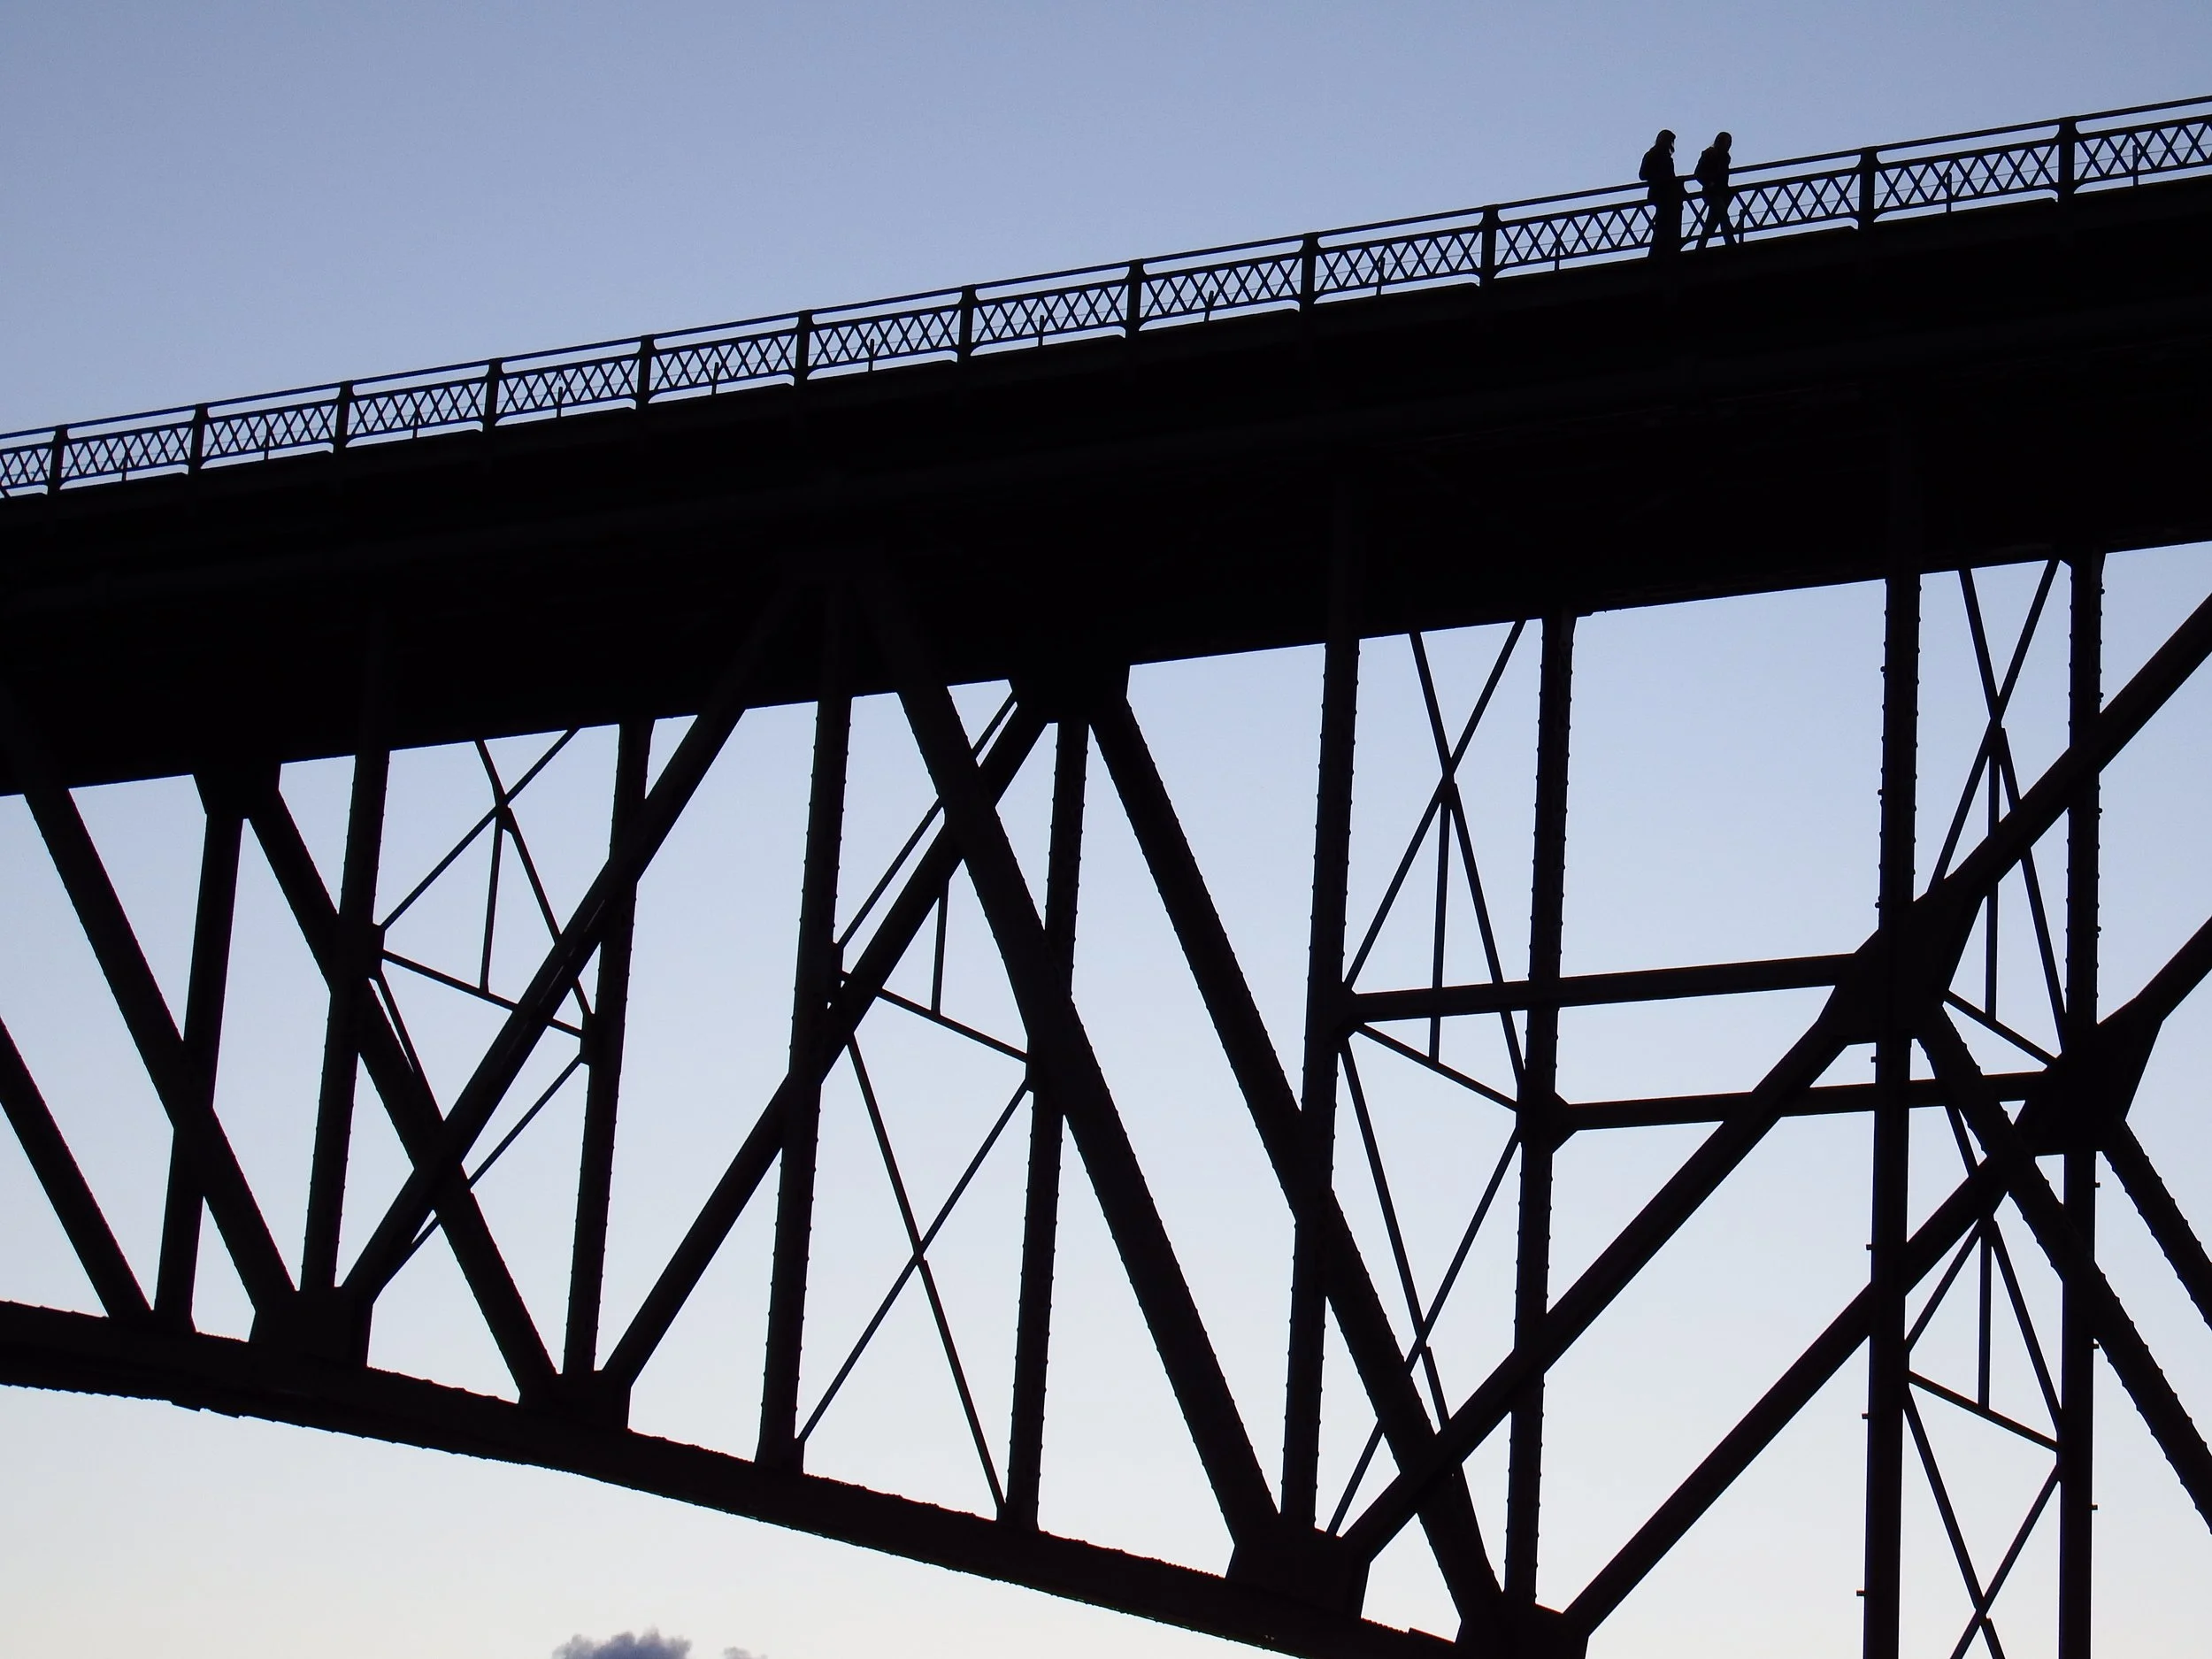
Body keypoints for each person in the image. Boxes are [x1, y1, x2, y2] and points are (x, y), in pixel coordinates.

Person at [1640, 130, 1683, 257]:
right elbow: (1643, 174)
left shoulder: (1662, 156)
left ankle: (1660, 250)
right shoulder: (1653, 155)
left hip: (1665, 194)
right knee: (1663, 222)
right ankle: (1659, 251)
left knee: (1664, 222)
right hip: (1661, 194)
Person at [1694, 131, 1737, 249]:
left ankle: (1701, 246)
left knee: (1712, 222)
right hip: (1711, 192)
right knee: (1722, 215)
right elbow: (1698, 173)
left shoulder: (1725, 157)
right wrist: (1710, 183)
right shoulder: (1710, 154)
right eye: (1727, 142)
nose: (1729, 145)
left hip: (1720, 193)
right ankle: (1730, 242)